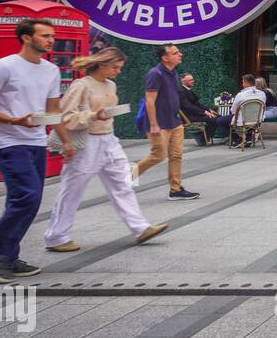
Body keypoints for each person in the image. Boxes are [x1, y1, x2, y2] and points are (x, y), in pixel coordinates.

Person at [0, 19, 66, 283]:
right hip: (6, 141)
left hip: (36, 142)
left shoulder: (51, 70)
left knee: (27, 200)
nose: (51, 40)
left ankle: (8, 256)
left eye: (52, 36)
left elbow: (53, 110)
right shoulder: (3, 67)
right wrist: (12, 120)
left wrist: (67, 140)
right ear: (26, 38)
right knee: (26, 197)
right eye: (45, 35)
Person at [42, 48, 168, 253]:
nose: (118, 71)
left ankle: (140, 228)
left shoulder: (111, 84)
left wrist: (104, 115)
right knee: (72, 190)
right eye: (115, 67)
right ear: (102, 64)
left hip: (109, 139)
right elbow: (65, 117)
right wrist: (93, 115)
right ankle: (55, 236)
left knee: (124, 183)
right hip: (86, 143)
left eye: (120, 68)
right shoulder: (81, 85)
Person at [135, 44, 198, 200]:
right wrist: (154, 124)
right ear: (165, 57)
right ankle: (124, 179)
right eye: (176, 53)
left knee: (176, 156)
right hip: (159, 124)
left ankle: (175, 190)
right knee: (157, 156)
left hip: (174, 122)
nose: (180, 54)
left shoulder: (173, 73)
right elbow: (150, 101)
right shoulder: (155, 73)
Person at [179, 73, 223, 145]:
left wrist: (209, 110)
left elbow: (197, 104)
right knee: (213, 119)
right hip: (188, 116)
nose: (193, 81)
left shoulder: (188, 90)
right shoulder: (180, 91)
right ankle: (202, 139)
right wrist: (204, 112)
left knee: (218, 117)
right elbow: (188, 107)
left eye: (192, 79)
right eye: (190, 80)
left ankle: (201, 136)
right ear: (183, 81)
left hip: (195, 114)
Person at [229, 74, 266, 147]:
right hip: (256, 121)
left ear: (246, 83)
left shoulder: (240, 95)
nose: (242, 84)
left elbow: (233, 110)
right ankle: (248, 138)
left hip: (242, 121)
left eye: (243, 82)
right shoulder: (262, 94)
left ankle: (239, 139)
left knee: (220, 121)